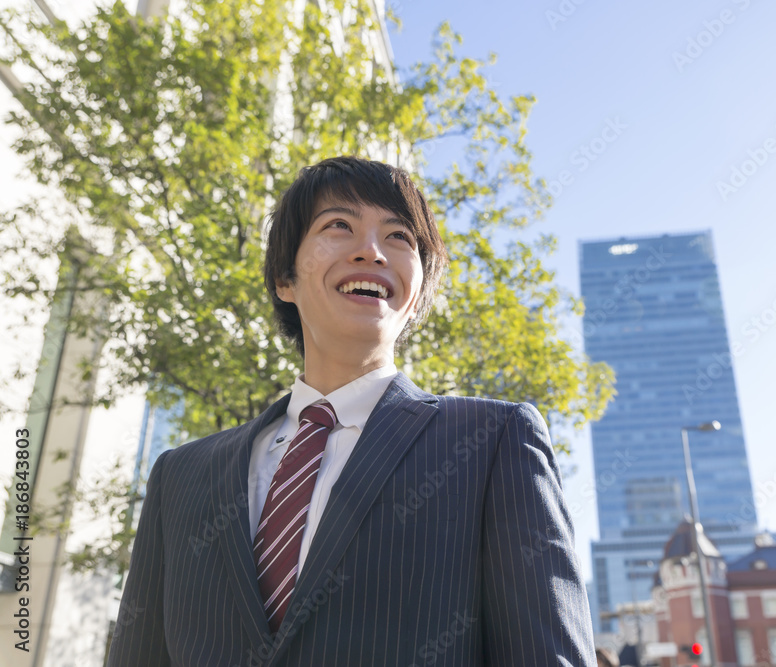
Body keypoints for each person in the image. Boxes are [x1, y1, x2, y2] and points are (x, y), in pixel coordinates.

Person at [107, 156, 597, 666]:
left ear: (417, 293)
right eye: (338, 226)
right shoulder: (180, 477)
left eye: (400, 236)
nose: (372, 251)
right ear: (284, 277)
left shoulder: (494, 443)